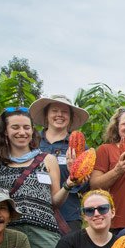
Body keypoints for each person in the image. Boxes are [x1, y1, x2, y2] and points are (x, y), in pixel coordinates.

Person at [0, 107, 71, 248]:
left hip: (43, 232)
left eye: (26, 127)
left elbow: (55, 201)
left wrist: (69, 184)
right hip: (8, 233)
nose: (22, 132)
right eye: (15, 127)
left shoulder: (47, 159)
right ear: (5, 131)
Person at [31, 94, 91, 231]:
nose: (59, 115)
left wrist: (77, 177)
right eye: (55, 111)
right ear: (46, 115)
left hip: (68, 215)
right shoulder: (32, 142)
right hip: (34, 212)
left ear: (70, 117)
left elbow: (85, 187)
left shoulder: (78, 145)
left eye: (64, 112)